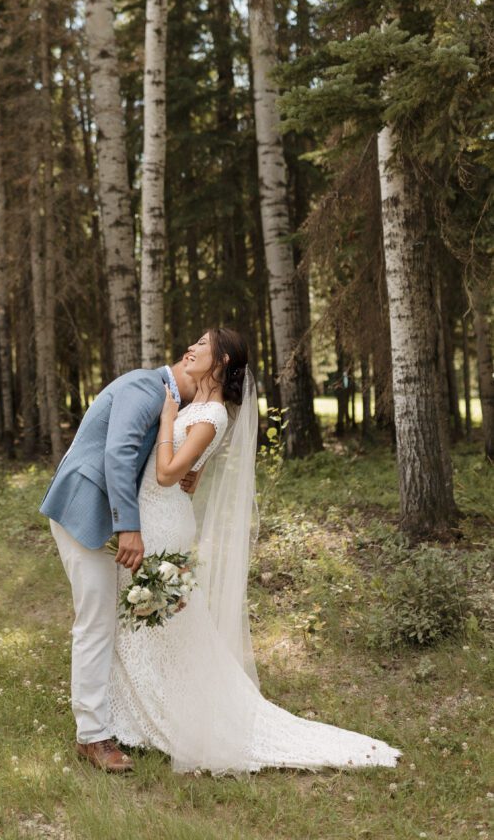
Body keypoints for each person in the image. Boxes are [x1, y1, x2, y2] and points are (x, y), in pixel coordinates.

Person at [106, 327, 403, 775]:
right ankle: (129, 714)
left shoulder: (210, 415)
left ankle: (166, 716)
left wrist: (168, 418)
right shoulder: (199, 408)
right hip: (157, 515)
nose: (192, 347)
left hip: (163, 524)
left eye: (203, 345)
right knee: (148, 625)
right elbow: (186, 469)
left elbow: (167, 474)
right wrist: (191, 458)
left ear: (222, 361)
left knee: (157, 622)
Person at [39, 357, 197, 772]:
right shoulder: (145, 387)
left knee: (109, 620)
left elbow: (147, 457)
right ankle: (92, 737)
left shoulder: (166, 400)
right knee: (95, 622)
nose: (195, 352)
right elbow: (118, 452)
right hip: (84, 508)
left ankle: (116, 719)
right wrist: (128, 526)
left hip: (99, 510)